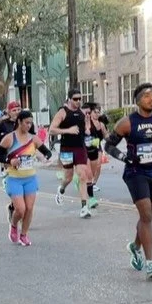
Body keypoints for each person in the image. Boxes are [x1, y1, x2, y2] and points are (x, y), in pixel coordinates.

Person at [105, 82, 152, 279]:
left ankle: (135, 246)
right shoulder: (126, 123)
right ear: (137, 101)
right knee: (145, 214)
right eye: (147, 96)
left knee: (148, 218)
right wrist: (124, 157)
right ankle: (151, 264)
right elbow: (108, 146)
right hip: (135, 172)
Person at [0, 109, 53, 246]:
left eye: (30, 123)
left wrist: (43, 158)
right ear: (19, 122)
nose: (29, 125)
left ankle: (24, 235)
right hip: (14, 178)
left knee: (29, 208)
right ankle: (14, 225)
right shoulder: (10, 138)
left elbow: (47, 152)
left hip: (30, 178)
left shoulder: (33, 138)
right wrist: (10, 161)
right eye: (26, 123)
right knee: (20, 209)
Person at [50, 88, 96, 218]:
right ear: (69, 99)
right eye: (75, 99)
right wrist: (68, 130)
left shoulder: (82, 112)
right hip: (67, 149)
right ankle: (62, 189)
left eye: (80, 99)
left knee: (82, 176)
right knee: (68, 177)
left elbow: (86, 128)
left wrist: (87, 129)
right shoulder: (62, 112)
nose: (78, 101)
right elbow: (52, 130)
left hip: (80, 148)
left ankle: (84, 207)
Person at [83, 102, 108, 192]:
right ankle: (86, 181)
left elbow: (106, 136)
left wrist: (112, 141)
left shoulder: (101, 124)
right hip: (87, 147)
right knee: (88, 167)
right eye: (95, 112)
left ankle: (93, 183)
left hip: (97, 146)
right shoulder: (87, 121)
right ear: (91, 112)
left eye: (98, 112)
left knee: (98, 165)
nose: (97, 114)